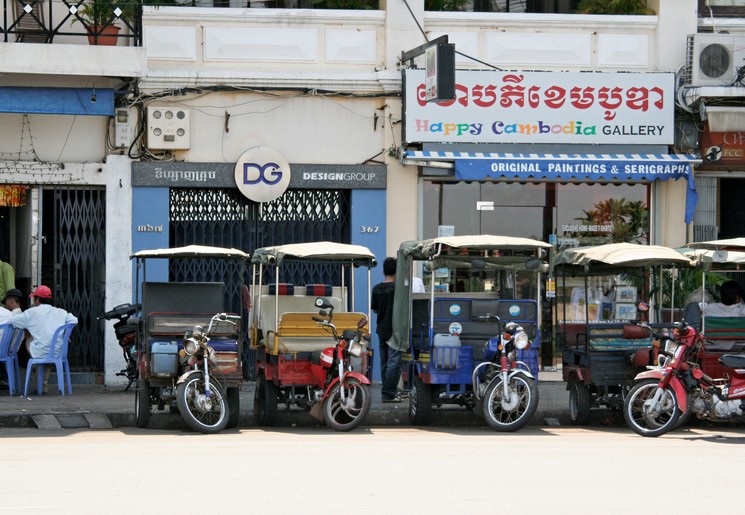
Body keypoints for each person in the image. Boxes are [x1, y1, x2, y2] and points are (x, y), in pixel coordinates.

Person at [11, 285, 77, 360]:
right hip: (58, 352)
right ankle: (45, 367)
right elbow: (74, 320)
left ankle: (39, 367)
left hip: (40, 353)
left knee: (29, 337)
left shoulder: (31, 312)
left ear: (37, 299)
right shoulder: (61, 312)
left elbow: (13, 321)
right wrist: (66, 333)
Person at [371, 257, 402, 403]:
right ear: (397, 271)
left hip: (381, 329)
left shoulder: (376, 289)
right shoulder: (398, 289)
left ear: (384, 271)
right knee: (394, 361)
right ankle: (389, 393)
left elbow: (375, 310)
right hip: (395, 329)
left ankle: (386, 391)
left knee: (385, 361)